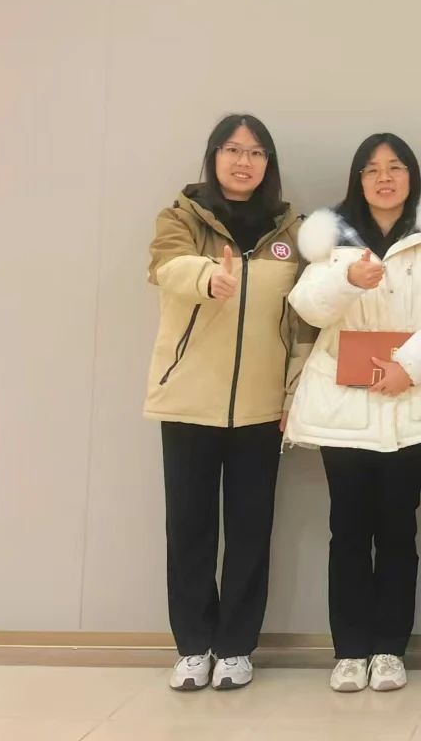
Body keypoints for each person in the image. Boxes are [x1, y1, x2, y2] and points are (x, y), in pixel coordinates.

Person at [285, 133, 421, 694]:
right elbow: (306, 307)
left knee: (399, 528)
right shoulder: (332, 239)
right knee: (347, 529)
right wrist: (347, 280)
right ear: (358, 180)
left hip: (412, 401)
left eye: (395, 167)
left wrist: (409, 366)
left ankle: (390, 649)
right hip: (342, 407)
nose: (384, 178)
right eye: (372, 170)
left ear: (411, 177)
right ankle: (350, 651)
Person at [143, 114, 305, 692]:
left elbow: (303, 320)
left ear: (269, 164)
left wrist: (293, 391)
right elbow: (166, 266)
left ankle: (236, 647)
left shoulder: (292, 230)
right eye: (233, 150)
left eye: (257, 152)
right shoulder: (182, 217)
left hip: (261, 407)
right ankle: (193, 647)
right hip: (188, 400)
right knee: (189, 530)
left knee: (250, 531)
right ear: (213, 156)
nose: (244, 162)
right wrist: (208, 276)